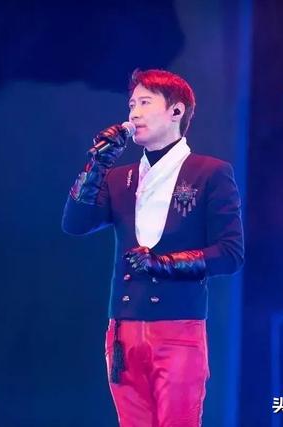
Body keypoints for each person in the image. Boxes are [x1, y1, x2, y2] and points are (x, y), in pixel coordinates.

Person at [62, 69, 244, 427]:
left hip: (178, 330)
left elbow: (230, 253)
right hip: (123, 331)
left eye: (145, 103)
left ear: (176, 111)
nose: (134, 113)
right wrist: (97, 164)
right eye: (132, 105)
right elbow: (75, 224)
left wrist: (165, 264)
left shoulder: (209, 173)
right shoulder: (120, 178)